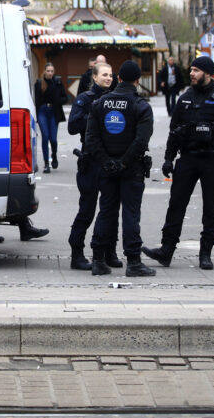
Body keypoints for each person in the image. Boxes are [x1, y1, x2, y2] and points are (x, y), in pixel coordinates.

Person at [143, 55, 214, 271]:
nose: (191, 74)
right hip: (187, 158)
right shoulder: (186, 98)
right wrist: (168, 158)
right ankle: (166, 250)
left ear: (208, 73)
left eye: (196, 70)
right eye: (191, 70)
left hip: (212, 160)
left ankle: (205, 253)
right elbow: (174, 131)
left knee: (211, 208)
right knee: (176, 204)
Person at [83, 60, 156, 277]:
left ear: (119, 78)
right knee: (131, 214)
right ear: (137, 81)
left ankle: (98, 260)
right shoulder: (141, 106)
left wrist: (107, 161)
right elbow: (141, 141)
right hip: (131, 168)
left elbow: (91, 138)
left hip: (106, 168)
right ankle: (133, 262)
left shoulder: (100, 103)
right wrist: (123, 162)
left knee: (106, 211)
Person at [66, 61, 114, 271]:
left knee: (110, 210)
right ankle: (76, 254)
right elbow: (72, 126)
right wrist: (95, 115)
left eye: (110, 75)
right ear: (94, 77)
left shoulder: (114, 99)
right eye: (104, 75)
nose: (108, 78)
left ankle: (108, 252)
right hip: (90, 161)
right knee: (87, 210)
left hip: (108, 159)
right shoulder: (85, 99)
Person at [34, 63, 67, 173]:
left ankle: (54, 155)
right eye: (48, 71)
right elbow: (36, 100)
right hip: (42, 111)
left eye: (52, 71)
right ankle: (46, 164)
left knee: (53, 139)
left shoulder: (57, 82)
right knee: (45, 137)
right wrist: (36, 115)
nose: (50, 73)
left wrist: (58, 102)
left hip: (54, 112)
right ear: (44, 71)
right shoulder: (39, 83)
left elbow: (65, 98)